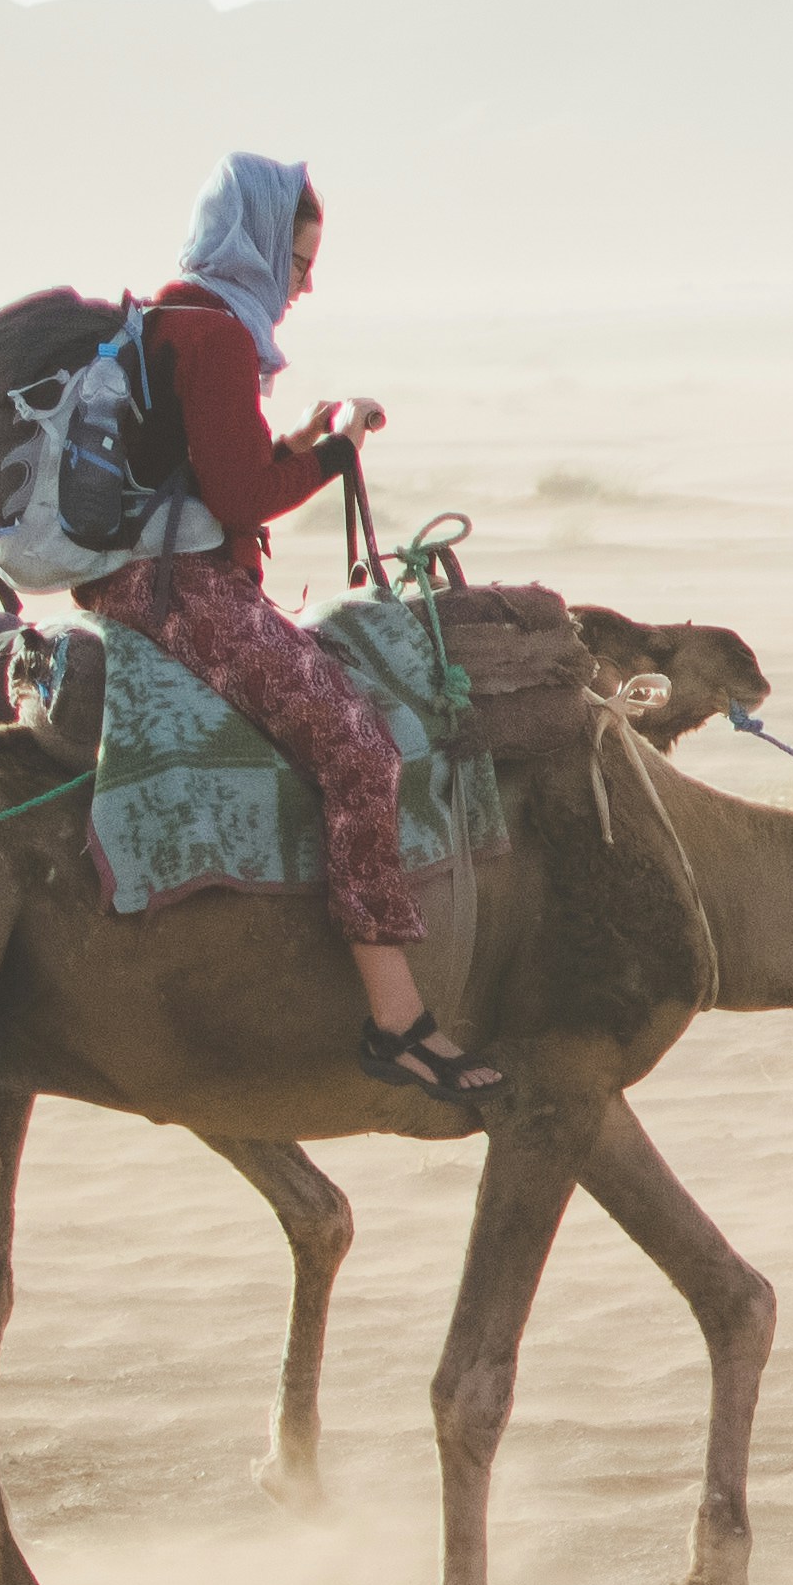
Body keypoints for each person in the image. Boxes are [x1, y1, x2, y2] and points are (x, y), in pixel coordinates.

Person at [92, 155, 506, 1103]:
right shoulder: (219, 340)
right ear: (260, 246)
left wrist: (304, 440)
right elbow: (241, 496)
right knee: (360, 752)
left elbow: (209, 472)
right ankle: (398, 1022)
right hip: (185, 589)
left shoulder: (170, 317)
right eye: (300, 260)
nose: (305, 282)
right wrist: (336, 451)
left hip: (150, 576)